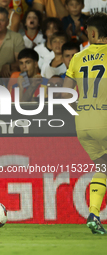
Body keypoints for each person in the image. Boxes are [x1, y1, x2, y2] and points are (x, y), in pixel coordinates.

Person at [62, 12, 107, 235]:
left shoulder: (77, 58)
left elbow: (65, 93)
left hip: (83, 123)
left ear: (91, 33)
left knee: (103, 167)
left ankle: (94, 214)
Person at [0, 7, 25, 78]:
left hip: (8, 77)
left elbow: (21, 61)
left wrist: (9, 65)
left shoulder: (16, 37)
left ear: (8, 22)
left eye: (2, 20)